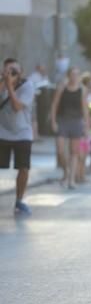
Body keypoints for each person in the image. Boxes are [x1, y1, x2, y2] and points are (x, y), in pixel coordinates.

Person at [0, 58, 36, 214]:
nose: (11, 73)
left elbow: (16, 107)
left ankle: (19, 200)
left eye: (14, 70)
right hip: (2, 131)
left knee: (24, 168)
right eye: (9, 70)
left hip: (23, 132)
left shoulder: (27, 86)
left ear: (21, 72)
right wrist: (4, 83)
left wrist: (10, 86)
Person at [49, 67, 90, 190]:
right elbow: (54, 105)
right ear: (68, 75)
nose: (75, 77)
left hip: (76, 122)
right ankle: (66, 171)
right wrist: (53, 121)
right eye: (72, 74)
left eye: (77, 75)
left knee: (74, 152)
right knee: (60, 150)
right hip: (62, 121)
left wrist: (86, 126)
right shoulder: (62, 88)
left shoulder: (82, 90)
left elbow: (85, 108)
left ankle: (71, 179)